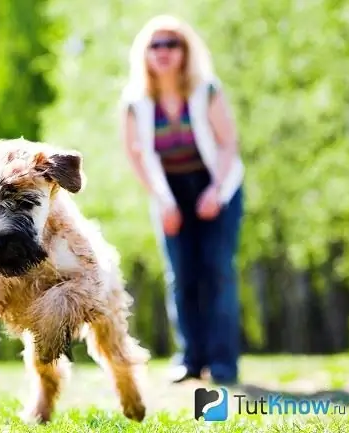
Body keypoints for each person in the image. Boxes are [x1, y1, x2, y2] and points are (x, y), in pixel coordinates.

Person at [120, 15, 244, 385]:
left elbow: (228, 144)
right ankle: (189, 358)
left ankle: (223, 364)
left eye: (171, 44)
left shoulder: (206, 89)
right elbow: (136, 157)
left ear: (185, 51)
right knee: (182, 276)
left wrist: (216, 191)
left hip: (216, 185)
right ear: (145, 54)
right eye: (155, 45)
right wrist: (163, 201)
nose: (163, 51)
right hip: (169, 193)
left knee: (217, 272)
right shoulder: (135, 102)